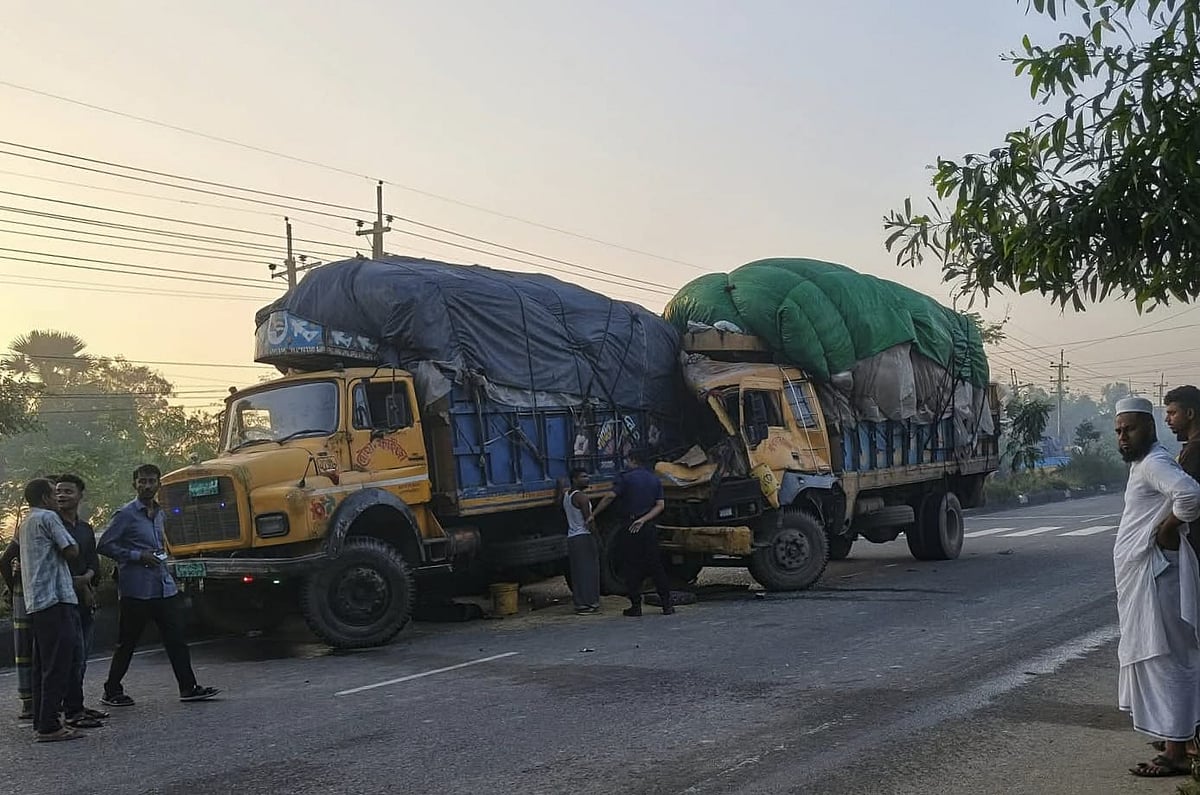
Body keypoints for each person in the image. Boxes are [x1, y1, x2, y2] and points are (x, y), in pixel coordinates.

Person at [1112, 397, 1200, 778]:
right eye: (1118, 431)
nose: (1123, 437)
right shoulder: (1144, 464)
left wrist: (1166, 529)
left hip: (1157, 576)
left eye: (1130, 429)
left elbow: (1190, 495)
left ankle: (1177, 752)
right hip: (1147, 578)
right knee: (1162, 658)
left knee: (1168, 660)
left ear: (1149, 427)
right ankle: (1176, 741)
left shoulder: (1153, 463)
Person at [98, 464, 219, 706]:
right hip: (136, 591)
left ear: (158, 484)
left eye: (151, 481)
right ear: (134, 484)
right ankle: (111, 690)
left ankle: (188, 687)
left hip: (163, 587)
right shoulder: (125, 514)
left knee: (176, 640)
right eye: (142, 481)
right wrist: (137, 555)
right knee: (127, 643)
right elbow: (104, 545)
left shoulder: (160, 513)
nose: (147, 486)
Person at [18, 478, 85, 742]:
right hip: (55, 598)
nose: (58, 499)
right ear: (46, 498)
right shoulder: (48, 517)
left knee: (43, 664)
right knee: (58, 663)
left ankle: (42, 719)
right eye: (54, 493)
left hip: (37, 601)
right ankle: (49, 726)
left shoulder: (26, 522)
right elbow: (71, 550)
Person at [56, 474, 108, 724]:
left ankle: (77, 705)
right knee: (71, 656)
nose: (62, 495)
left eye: (68, 491)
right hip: (62, 601)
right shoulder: (53, 526)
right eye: (58, 491)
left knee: (83, 656)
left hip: (84, 599)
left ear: (80, 496)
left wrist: (86, 580)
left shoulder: (85, 529)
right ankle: (71, 711)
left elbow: (92, 564)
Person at [594, 449, 672, 617]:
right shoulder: (654, 479)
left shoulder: (625, 478)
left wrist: (594, 514)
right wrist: (644, 520)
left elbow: (610, 496)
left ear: (633, 460)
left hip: (630, 526)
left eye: (627, 460)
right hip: (648, 526)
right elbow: (660, 506)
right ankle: (667, 605)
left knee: (631, 565)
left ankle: (636, 606)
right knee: (655, 565)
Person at [1164, 384, 1200, 559]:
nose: (1167, 420)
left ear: (1190, 414)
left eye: (1172, 413)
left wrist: (1166, 530)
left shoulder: (1195, 451)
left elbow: (1189, 497)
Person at [559, 468, 601, 614]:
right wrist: (597, 538)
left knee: (578, 573)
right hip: (584, 536)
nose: (587, 479)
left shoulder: (566, 495)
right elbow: (589, 520)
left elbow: (558, 502)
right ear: (574, 479)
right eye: (583, 477)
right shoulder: (582, 498)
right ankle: (590, 603)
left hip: (572, 537)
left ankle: (580, 603)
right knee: (589, 572)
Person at [0, 538, 32, 721]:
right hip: (25, 595)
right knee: (27, 647)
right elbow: (5, 560)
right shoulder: (27, 529)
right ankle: (29, 702)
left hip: (28, 594)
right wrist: (13, 588)